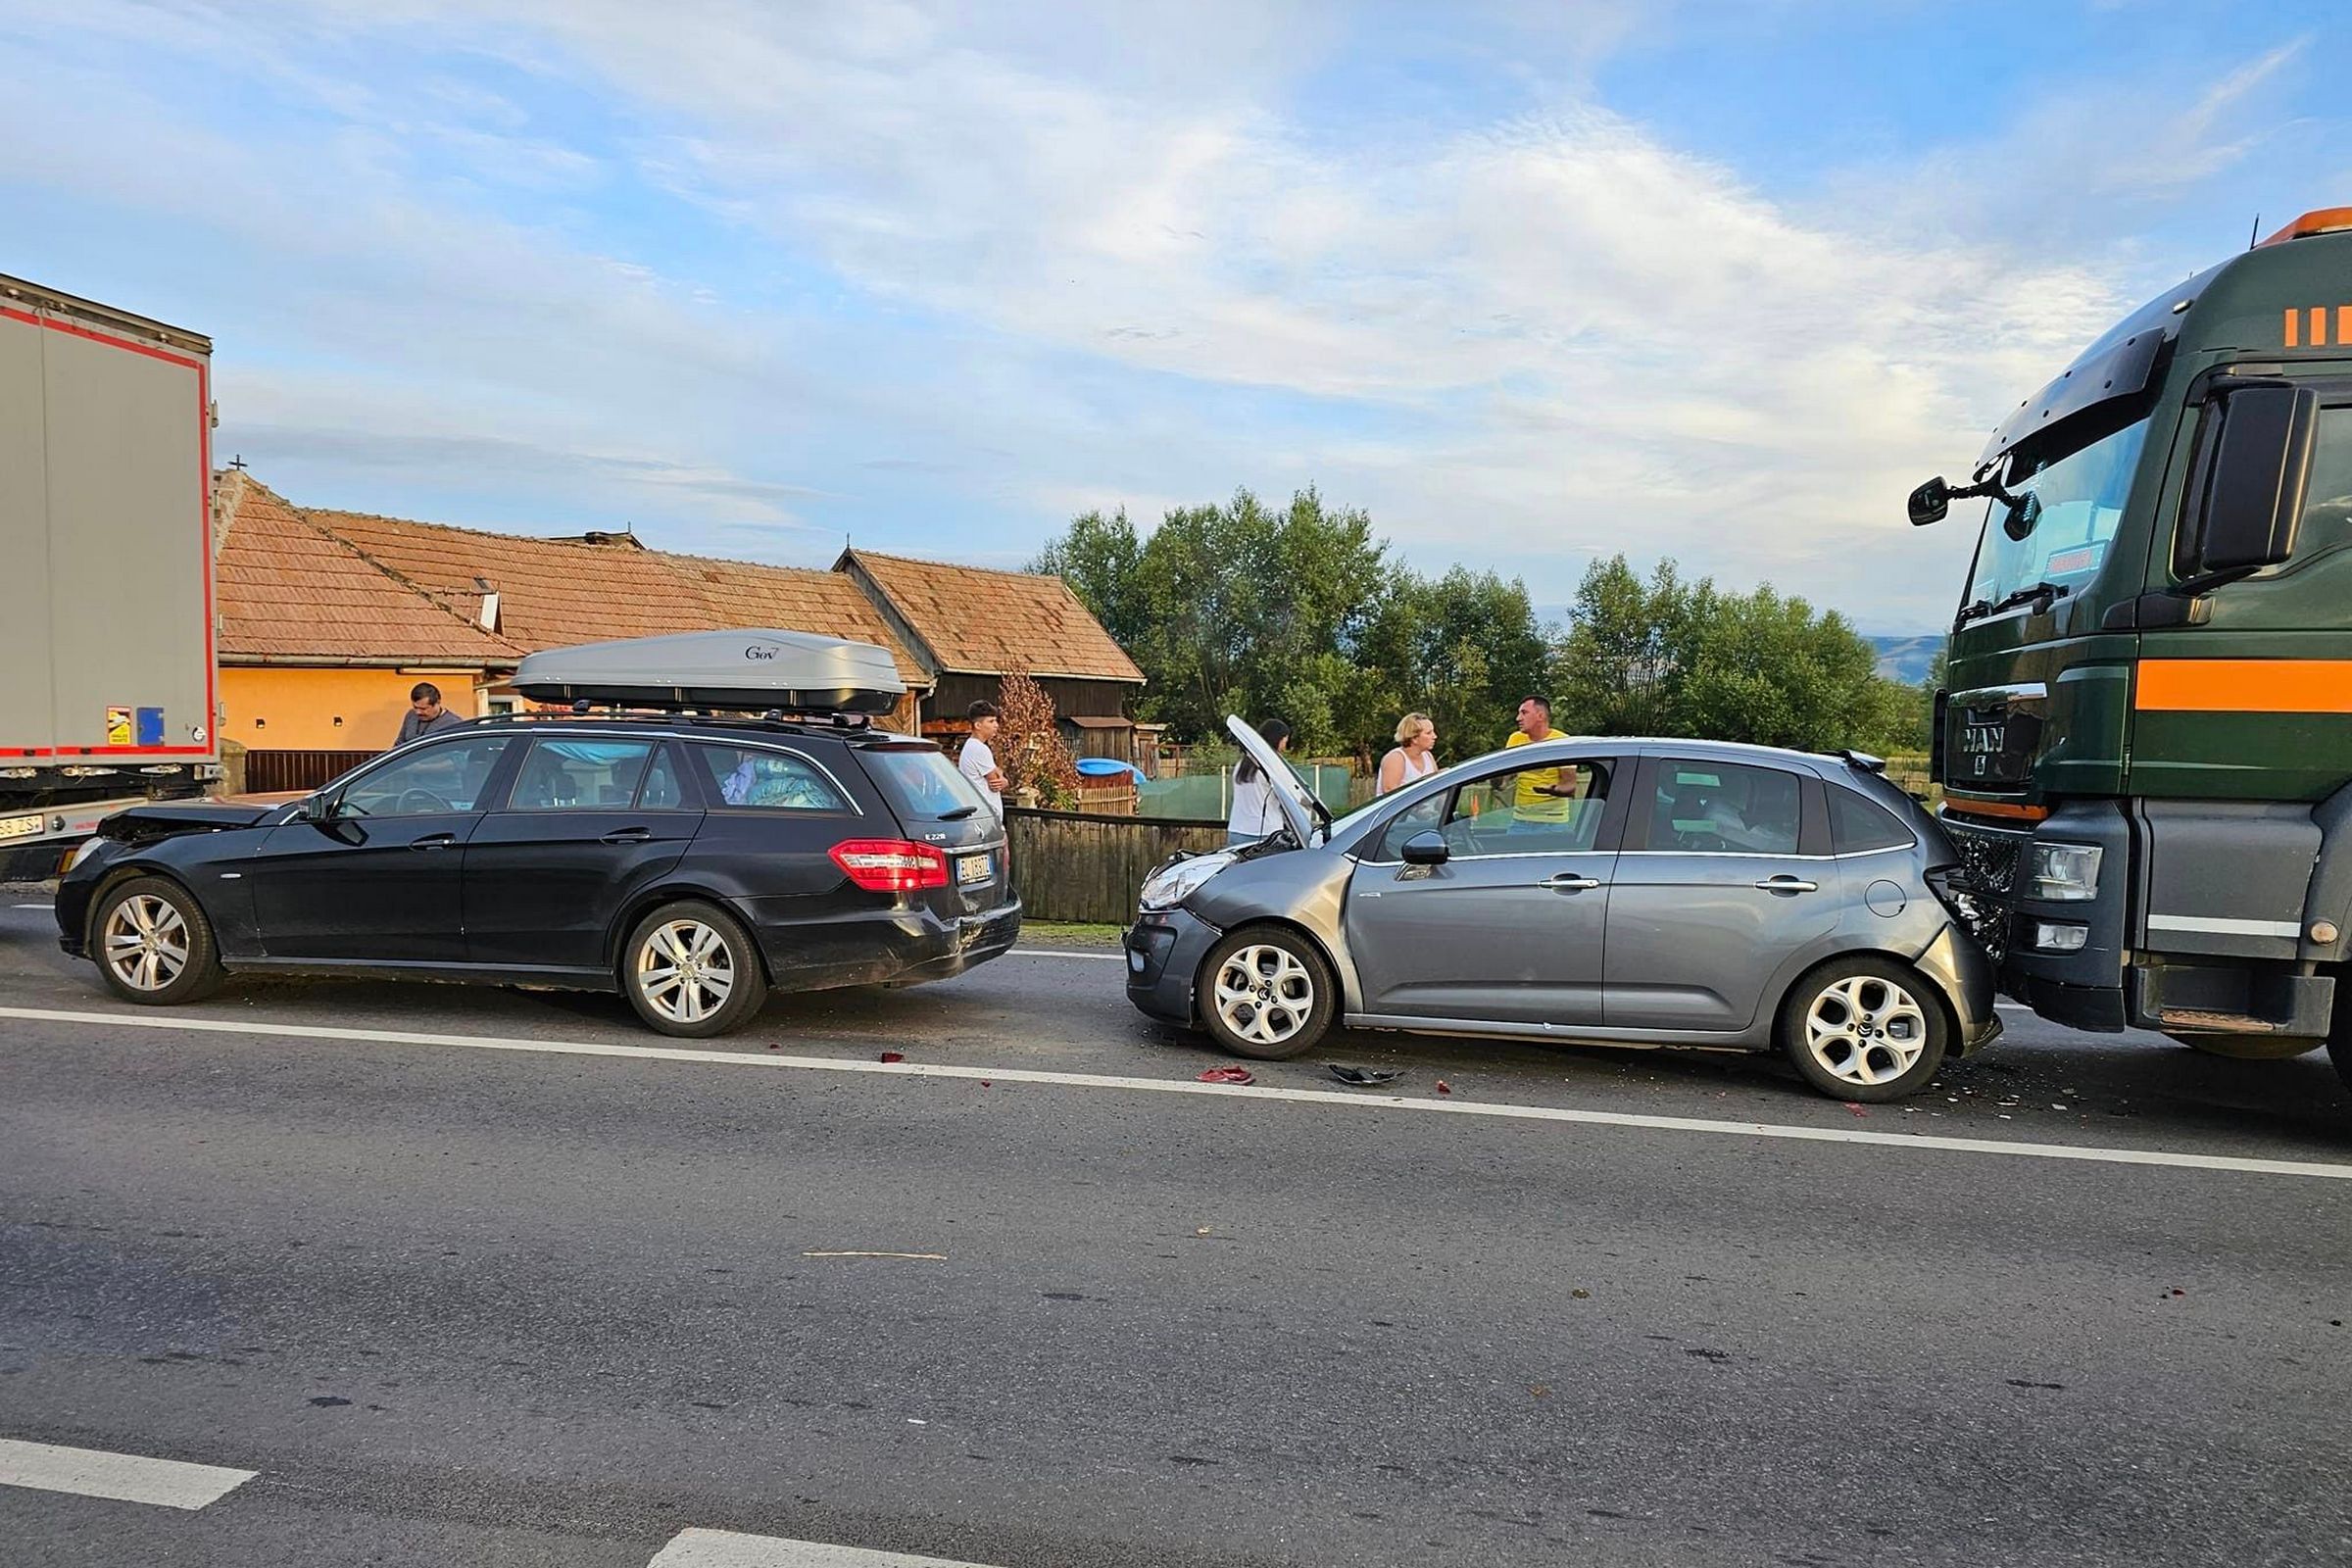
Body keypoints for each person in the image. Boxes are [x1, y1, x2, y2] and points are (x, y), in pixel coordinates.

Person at [1501, 694, 1579, 828]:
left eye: (1524, 713)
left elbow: (1570, 786)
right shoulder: (1515, 739)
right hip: (1520, 820)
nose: (1518, 718)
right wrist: (1496, 778)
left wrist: (1552, 790)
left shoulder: (1562, 742)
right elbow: (1503, 780)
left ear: (1540, 716)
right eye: (1519, 713)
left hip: (1553, 823)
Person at [1227, 718, 1293, 847]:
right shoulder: (1273, 766)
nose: (1285, 745)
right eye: (1285, 739)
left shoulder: (1242, 765)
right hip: (1265, 833)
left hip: (1236, 830)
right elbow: (1290, 797)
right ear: (1276, 739)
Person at [958, 700, 1007, 817]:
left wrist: (997, 771)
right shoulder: (979, 749)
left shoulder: (971, 746)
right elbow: (996, 782)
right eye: (991, 721)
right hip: (986, 816)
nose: (996, 725)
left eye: (996, 721)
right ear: (978, 725)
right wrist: (1003, 779)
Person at [1377, 712, 1439, 796]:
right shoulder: (1396, 758)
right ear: (1414, 738)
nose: (1434, 736)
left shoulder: (1427, 756)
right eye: (1428, 733)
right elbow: (1390, 793)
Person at [394, 681, 464, 747]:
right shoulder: (411, 715)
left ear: (437, 703)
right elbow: (399, 744)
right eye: (415, 707)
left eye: (423, 709)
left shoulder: (454, 723)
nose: (418, 712)